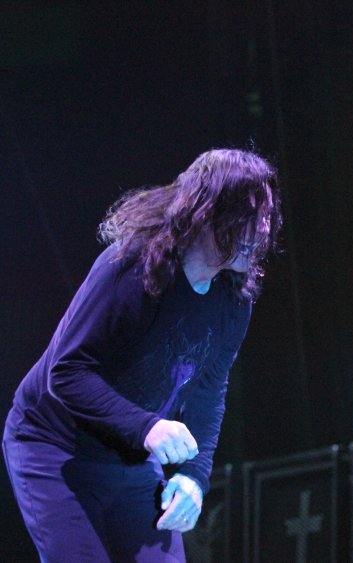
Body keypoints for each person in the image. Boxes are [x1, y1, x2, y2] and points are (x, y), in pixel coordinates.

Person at [3, 148, 282, 561]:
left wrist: (193, 476)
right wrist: (148, 427)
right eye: (248, 214)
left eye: (266, 216)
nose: (260, 229)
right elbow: (66, 372)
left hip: (132, 458)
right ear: (205, 210)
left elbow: (208, 388)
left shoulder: (234, 296)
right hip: (56, 448)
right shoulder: (133, 266)